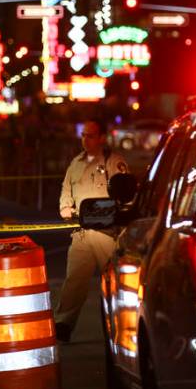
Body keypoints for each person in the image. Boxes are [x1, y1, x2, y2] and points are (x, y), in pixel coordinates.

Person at [54, 118, 129, 343]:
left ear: (102, 138)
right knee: (74, 280)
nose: (85, 140)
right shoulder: (75, 163)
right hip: (81, 233)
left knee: (115, 283)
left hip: (106, 234)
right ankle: (63, 324)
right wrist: (65, 206)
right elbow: (66, 189)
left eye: (91, 135)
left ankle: (122, 325)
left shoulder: (112, 161)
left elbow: (125, 193)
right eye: (83, 135)